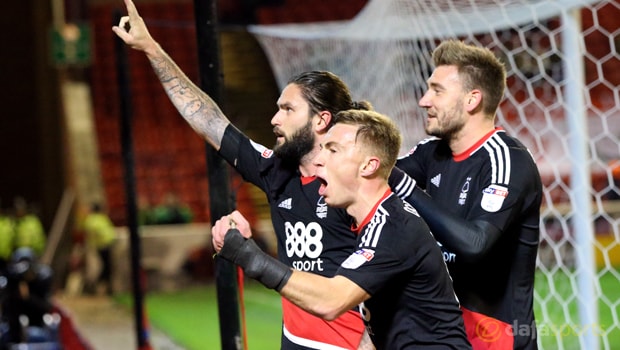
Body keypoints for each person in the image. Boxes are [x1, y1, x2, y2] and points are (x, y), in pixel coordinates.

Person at [113, 1, 373, 347]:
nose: (274, 120)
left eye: (287, 110)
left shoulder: (362, 184)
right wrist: (151, 48)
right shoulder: (278, 171)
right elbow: (209, 121)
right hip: (294, 341)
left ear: (321, 120)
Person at [212, 109, 472, 349]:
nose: (320, 159)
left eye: (333, 150)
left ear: (368, 166)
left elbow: (331, 300)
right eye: (322, 148)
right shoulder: (369, 223)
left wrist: (250, 256)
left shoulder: (392, 227)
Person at [390, 40, 542, 349]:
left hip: (495, 336)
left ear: (472, 100)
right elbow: (377, 178)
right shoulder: (430, 153)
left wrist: (406, 188)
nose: (423, 100)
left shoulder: (508, 159)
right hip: (444, 330)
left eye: (437, 90)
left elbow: (475, 243)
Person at [82, 203, 117, 295]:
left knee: (107, 267)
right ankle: (95, 284)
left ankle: (104, 286)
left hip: (103, 245)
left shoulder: (94, 219)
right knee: (106, 267)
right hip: (103, 245)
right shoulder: (98, 219)